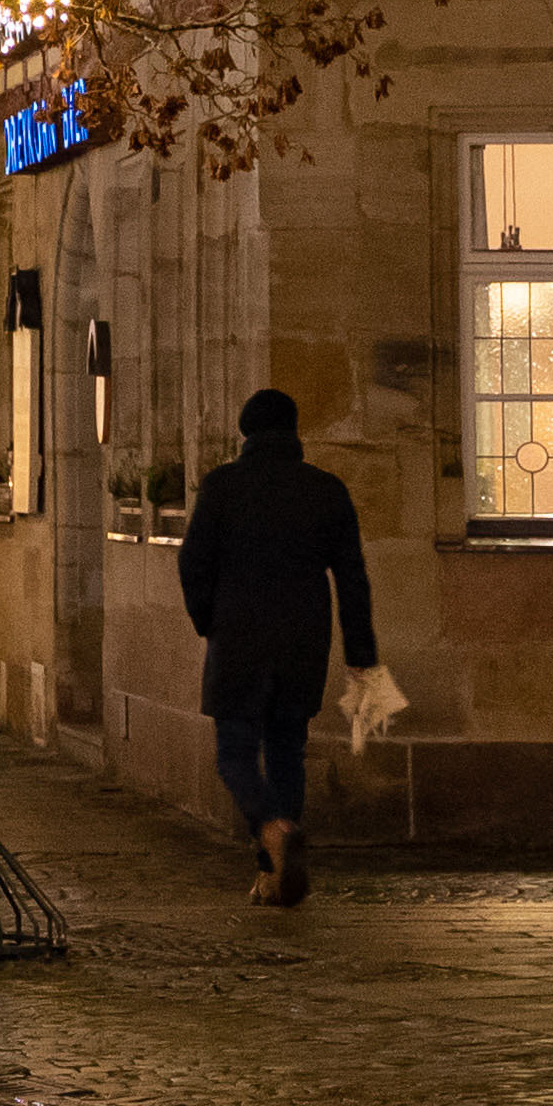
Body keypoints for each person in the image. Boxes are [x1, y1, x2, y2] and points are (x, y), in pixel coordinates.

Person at [179, 387, 376, 907]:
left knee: (234, 753)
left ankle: (272, 830)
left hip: (238, 637)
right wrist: (360, 651)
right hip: (303, 640)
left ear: (245, 431)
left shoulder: (222, 487)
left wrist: (208, 621)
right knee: (287, 749)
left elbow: (193, 563)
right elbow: (352, 577)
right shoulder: (326, 490)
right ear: (293, 432)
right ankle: (273, 872)